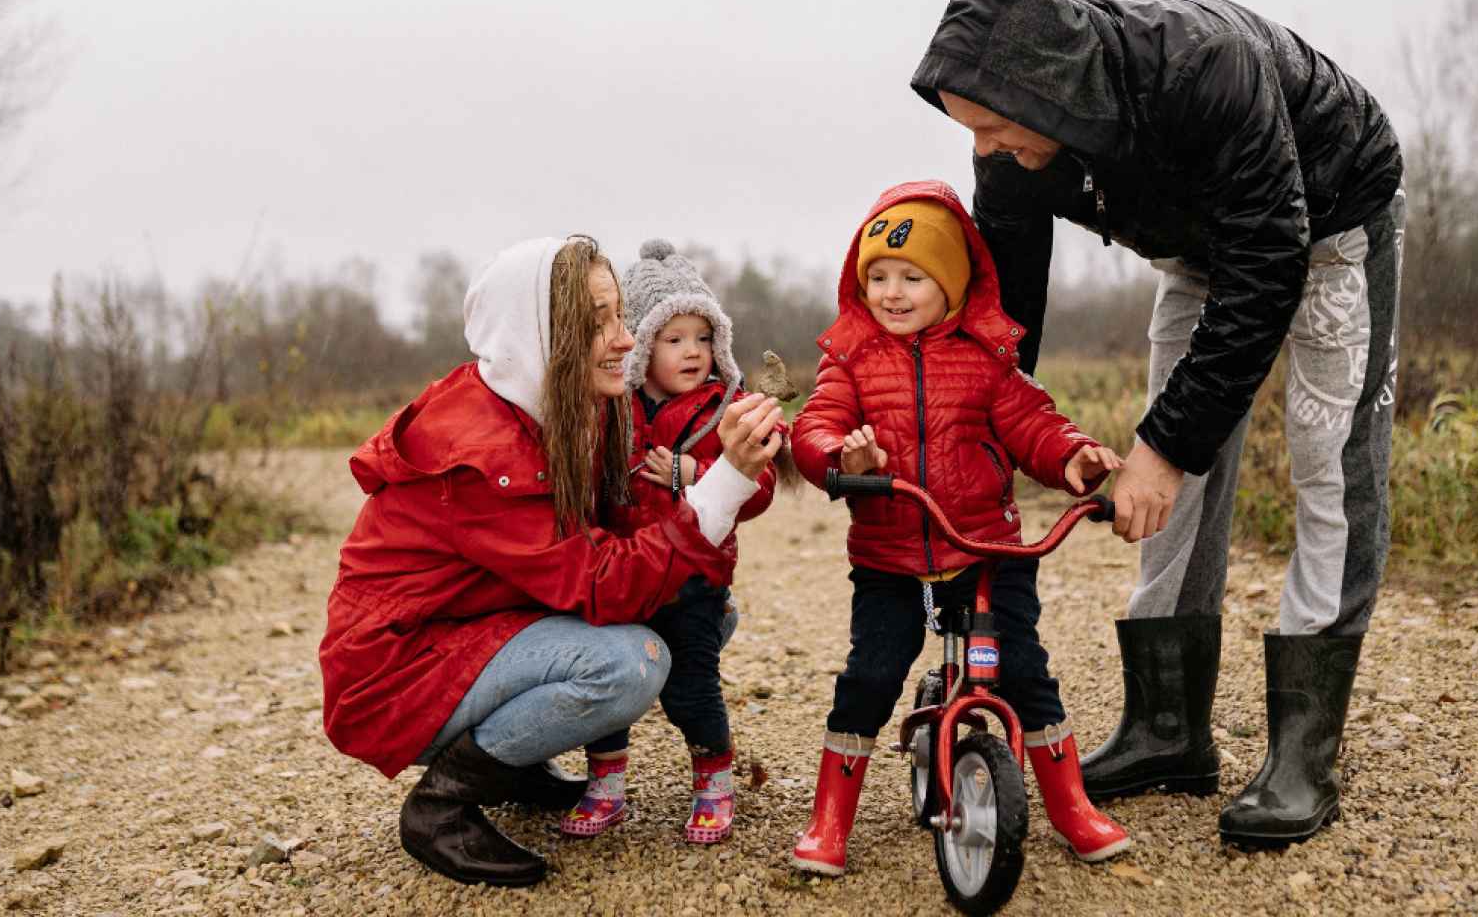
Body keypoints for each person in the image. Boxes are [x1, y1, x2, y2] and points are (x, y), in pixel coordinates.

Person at [911, 0, 1405, 845]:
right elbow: (1007, 319)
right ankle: (1168, 730)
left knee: (1324, 460)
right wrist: (978, 434)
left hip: (1329, 214)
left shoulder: (1202, 67)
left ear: (1048, 88)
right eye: (967, 130)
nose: (980, 150)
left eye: (989, 127)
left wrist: (1169, 446)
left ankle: (1303, 754)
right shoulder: (1010, 142)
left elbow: (1268, 267)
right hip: (1202, 246)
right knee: (1156, 482)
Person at [318, 236, 783, 887]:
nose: (627, 340)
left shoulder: (550, 408)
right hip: (397, 680)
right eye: (599, 321)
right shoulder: (484, 455)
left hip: (470, 633)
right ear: (540, 333)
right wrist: (724, 481)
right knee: (632, 662)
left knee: (704, 616)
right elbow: (603, 583)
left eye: (621, 315)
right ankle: (441, 806)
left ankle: (517, 764)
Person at [787, 180, 1131, 877]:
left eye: (912, 276)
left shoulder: (986, 358)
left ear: (952, 283)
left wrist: (1073, 456)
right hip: (890, 553)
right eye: (877, 276)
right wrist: (839, 456)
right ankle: (830, 819)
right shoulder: (851, 362)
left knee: (1023, 672)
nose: (891, 291)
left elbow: (1034, 422)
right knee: (872, 674)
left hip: (986, 552)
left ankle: (1071, 807)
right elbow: (814, 425)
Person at [561, 239, 782, 844]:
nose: (693, 352)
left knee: (691, 686)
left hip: (694, 580)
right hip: (623, 567)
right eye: (674, 338)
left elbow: (758, 493)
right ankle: (605, 782)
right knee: (609, 694)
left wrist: (697, 475)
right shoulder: (614, 409)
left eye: (703, 338)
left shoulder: (726, 409)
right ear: (641, 346)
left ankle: (714, 778)